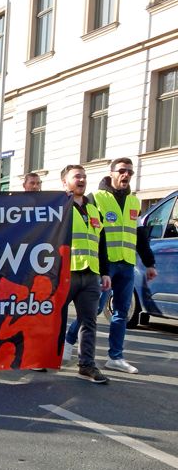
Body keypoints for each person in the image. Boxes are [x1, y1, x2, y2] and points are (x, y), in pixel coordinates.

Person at [65, 157, 157, 374]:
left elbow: (140, 235)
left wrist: (149, 262)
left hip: (126, 263)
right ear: (112, 173)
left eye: (130, 172)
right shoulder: (95, 198)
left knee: (122, 312)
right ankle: (67, 344)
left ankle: (115, 356)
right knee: (93, 309)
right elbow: (98, 236)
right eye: (122, 171)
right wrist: (102, 268)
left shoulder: (134, 202)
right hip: (104, 265)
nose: (126, 175)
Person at [61, 165, 111, 384]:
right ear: (65, 182)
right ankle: (43, 358)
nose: (82, 179)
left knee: (89, 320)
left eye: (84, 176)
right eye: (77, 176)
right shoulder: (59, 207)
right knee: (54, 319)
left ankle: (86, 365)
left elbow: (102, 244)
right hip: (65, 272)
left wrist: (105, 272)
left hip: (91, 273)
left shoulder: (93, 209)